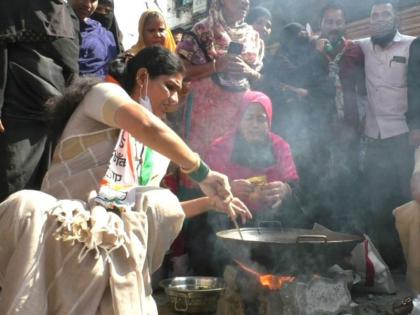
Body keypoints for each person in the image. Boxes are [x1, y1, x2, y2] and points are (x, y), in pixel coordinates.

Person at [0, 46, 250, 314]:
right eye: (169, 87)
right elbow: (145, 125)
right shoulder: (103, 94)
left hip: (105, 244)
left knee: (160, 201)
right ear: (142, 77)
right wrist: (202, 172)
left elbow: (137, 207)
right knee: (29, 206)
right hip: (59, 234)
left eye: (180, 92)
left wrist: (209, 203)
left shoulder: (153, 152)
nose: (175, 100)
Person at [0, 0, 79, 202]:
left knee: (48, 187)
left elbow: (72, 71)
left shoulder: (68, 14)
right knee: (15, 186)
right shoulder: (11, 6)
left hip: (55, 115)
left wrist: (72, 112)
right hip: (17, 115)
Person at [356, 0, 415, 267]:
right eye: (375, 15)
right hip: (374, 136)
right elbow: (337, 46)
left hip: (403, 134)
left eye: (385, 14)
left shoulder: (413, 45)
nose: (379, 19)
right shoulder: (363, 46)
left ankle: (408, 261)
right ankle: (384, 263)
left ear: (395, 18)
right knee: (375, 198)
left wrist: (417, 127)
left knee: (403, 198)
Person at [262, 22, 336, 227]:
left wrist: (307, 93)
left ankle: (323, 229)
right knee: (297, 183)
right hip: (290, 135)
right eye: (299, 35)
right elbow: (290, 77)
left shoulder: (315, 59)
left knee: (321, 182)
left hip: (318, 131)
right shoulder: (278, 61)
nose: (304, 39)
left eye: (306, 35)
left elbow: (328, 89)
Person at [176, 0, 264, 160]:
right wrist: (216, 66)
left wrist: (249, 72)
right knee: (203, 171)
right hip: (204, 124)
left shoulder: (253, 37)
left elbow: (262, 79)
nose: (246, 3)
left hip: (240, 120)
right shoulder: (202, 30)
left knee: (236, 172)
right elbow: (180, 72)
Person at [206, 91, 298, 215]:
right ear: (239, 120)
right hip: (230, 217)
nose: (254, 125)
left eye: (261, 119)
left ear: (269, 122)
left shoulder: (280, 146)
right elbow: (208, 187)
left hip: (272, 218)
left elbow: (294, 184)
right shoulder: (221, 147)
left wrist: (284, 190)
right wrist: (229, 189)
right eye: (249, 118)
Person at [317, 2, 365, 230]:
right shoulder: (310, 48)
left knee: (350, 185)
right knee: (321, 188)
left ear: (345, 24)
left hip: (349, 130)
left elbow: (366, 87)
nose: (334, 27)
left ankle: (351, 240)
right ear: (321, 24)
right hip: (317, 133)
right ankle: (323, 241)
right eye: (329, 22)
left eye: (338, 22)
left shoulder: (355, 50)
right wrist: (315, 52)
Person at [70, 0, 118, 76]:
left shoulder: (108, 37)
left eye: (93, 0)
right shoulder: (53, 23)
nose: (88, 5)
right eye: (99, 9)